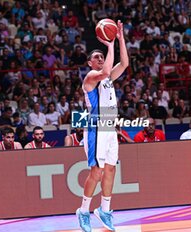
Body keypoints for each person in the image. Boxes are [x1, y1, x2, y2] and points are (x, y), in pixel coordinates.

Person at [77, 20, 128, 232]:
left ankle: (104, 210)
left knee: (110, 170)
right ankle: (83, 210)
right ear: (89, 63)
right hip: (96, 126)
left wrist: (120, 38)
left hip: (109, 126)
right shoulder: (90, 77)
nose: (99, 59)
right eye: (95, 57)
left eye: (101, 56)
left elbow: (124, 64)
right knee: (96, 172)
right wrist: (109, 45)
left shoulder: (107, 80)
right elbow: (107, 71)